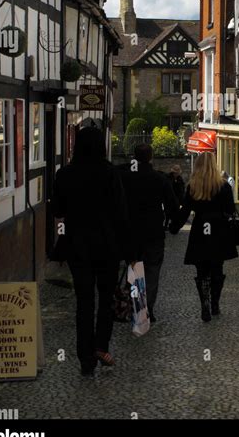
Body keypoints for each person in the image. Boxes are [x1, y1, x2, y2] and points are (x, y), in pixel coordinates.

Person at [51, 127, 135, 377]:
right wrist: (129, 250)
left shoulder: (64, 174)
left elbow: (57, 210)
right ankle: (101, 346)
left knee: (84, 302)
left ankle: (85, 358)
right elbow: (121, 214)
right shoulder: (110, 173)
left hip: (78, 246)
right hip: (107, 247)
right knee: (106, 299)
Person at [170, 152, 238, 322]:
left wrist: (174, 226)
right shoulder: (223, 186)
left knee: (202, 270)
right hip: (219, 231)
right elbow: (230, 210)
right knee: (217, 268)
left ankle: (205, 305)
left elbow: (184, 211)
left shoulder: (193, 187)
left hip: (200, 230)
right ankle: (215, 303)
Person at [118, 144, 179, 323]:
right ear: (151, 157)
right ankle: (147, 309)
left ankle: (136, 307)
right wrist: (173, 224)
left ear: (134, 156)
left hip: (131, 233)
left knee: (135, 270)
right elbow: (173, 207)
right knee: (152, 271)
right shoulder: (159, 179)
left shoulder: (125, 177)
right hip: (153, 233)